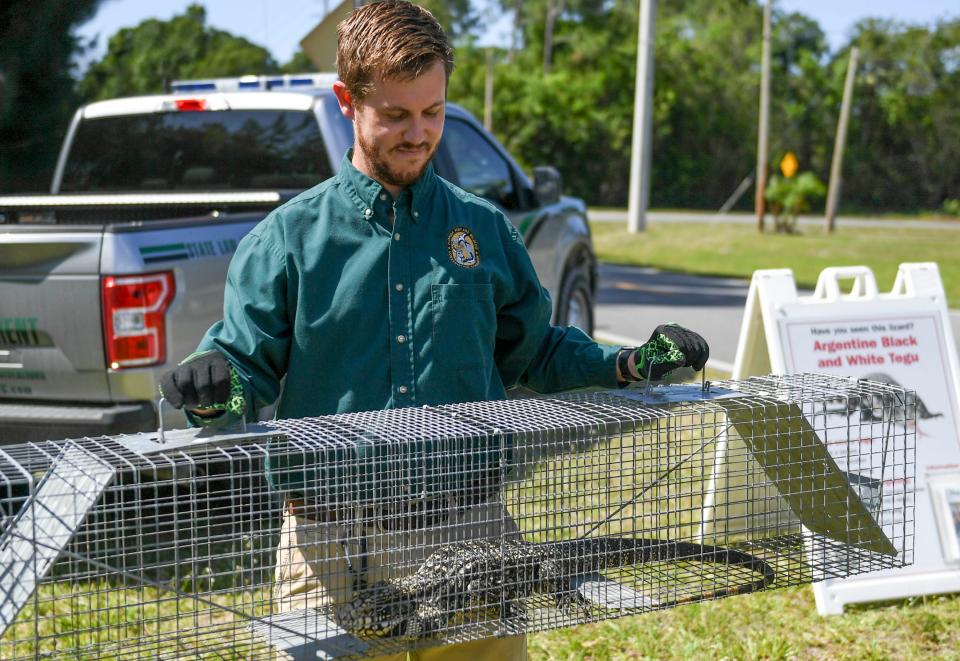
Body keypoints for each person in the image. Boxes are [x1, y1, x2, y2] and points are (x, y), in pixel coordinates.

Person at [159, 2, 709, 659]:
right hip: (336, 548)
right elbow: (240, 367)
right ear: (346, 100)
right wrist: (212, 387)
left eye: (433, 112)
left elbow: (536, 351)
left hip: (474, 535)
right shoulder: (287, 240)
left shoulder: (483, 229)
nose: (418, 134)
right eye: (394, 114)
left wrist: (629, 365)